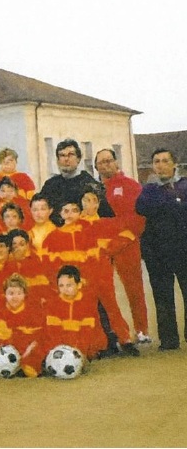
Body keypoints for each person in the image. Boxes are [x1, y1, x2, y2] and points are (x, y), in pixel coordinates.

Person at [94, 148, 150, 344]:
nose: (106, 165)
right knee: (105, 291)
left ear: (116, 162)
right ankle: (114, 333)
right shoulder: (95, 189)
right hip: (103, 247)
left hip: (127, 244)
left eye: (109, 160)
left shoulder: (131, 185)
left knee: (134, 289)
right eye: (101, 162)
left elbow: (139, 217)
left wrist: (125, 238)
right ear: (96, 167)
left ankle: (142, 330)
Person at [135, 148, 187, 351]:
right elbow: (141, 207)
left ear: (175, 164)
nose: (161, 165)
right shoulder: (148, 190)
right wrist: (175, 202)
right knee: (162, 296)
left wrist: (167, 204)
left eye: (165, 160)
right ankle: (169, 339)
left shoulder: (184, 185)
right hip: (157, 253)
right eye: (156, 161)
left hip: (183, 249)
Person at [38, 138, 112, 225]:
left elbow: (106, 218)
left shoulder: (91, 185)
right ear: (58, 160)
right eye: (62, 155)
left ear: (78, 159)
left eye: (71, 155)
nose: (66, 159)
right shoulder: (50, 185)